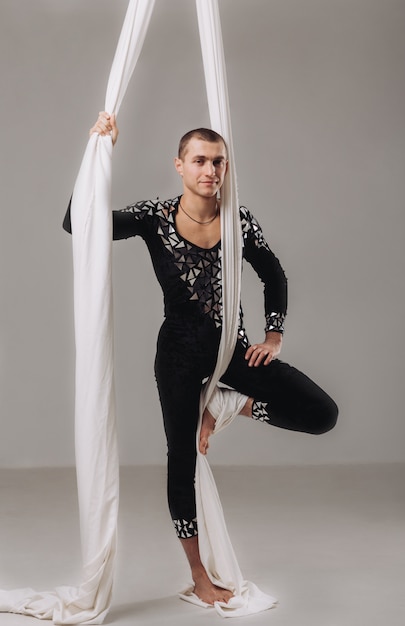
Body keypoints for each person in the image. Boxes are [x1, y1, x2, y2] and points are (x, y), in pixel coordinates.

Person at [63, 112, 338, 606]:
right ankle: (199, 574)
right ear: (179, 165)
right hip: (179, 356)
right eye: (200, 160)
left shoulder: (238, 220)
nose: (210, 170)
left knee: (322, 414)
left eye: (218, 161)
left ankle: (234, 404)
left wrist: (273, 334)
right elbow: (75, 222)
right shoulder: (154, 217)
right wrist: (97, 155)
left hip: (233, 352)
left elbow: (274, 273)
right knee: (182, 460)